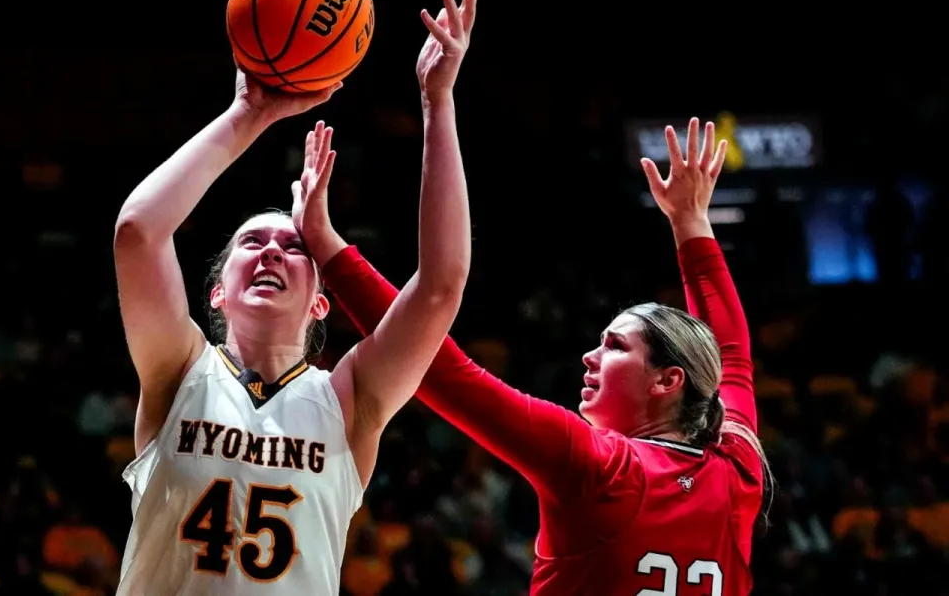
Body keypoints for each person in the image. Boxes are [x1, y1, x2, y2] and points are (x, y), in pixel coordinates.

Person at [111, 0, 479, 596]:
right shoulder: (178, 371)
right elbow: (138, 231)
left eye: (295, 247)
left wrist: (437, 103)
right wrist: (248, 114)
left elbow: (442, 286)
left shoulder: (350, 400)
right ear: (218, 293)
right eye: (251, 243)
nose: (272, 251)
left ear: (320, 300)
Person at [299, 118, 771, 596]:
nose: (589, 356)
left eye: (615, 346)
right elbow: (732, 358)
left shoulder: (598, 466)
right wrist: (691, 221)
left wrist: (326, 247)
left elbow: (438, 366)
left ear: (668, 380)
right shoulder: (739, 471)